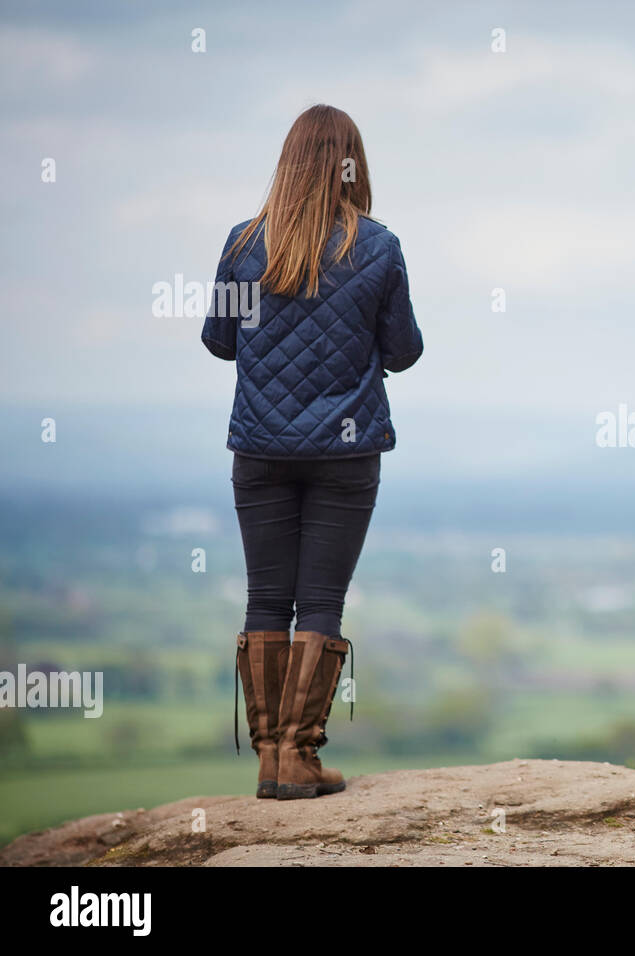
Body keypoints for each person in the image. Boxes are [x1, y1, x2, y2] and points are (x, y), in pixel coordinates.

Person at [201, 104, 423, 800]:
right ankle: (300, 757)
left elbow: (219, 340)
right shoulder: (378, 246)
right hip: (345, 450)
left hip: (259, 448)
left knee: (266, 595)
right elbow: (404, 351)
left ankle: (271, 762)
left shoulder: (244, 244)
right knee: (320, 598)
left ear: (288, 161)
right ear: (352, 164)